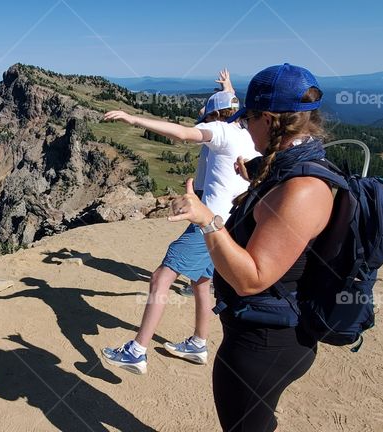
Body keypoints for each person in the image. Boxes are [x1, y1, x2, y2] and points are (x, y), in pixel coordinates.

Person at [166, 63, 333, 431]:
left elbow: (250, 278)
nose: (243, 126)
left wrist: (206, 219)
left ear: (271, 120)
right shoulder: (286, 171)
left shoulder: (301, 189)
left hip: (265, 344)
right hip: (262, 334)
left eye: (249, 118)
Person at [99, 69, 260, 374]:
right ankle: (198, 343)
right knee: (201, 281)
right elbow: (230, 109)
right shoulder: (251, 137)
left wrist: (132, 119)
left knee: (161, 276)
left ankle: (136, 351)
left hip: (206, 222)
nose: (202, 120)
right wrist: (228, 88)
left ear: (214, 117)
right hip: (229, 226)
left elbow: (182, 132)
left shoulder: (222, 133)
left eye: (206, 116)